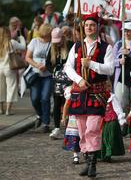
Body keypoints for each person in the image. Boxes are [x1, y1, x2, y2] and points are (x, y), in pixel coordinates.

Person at [64, 12, 114, 177]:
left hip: (97, 93)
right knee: (81, 128)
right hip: (80, 93)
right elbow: (68, 67)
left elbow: (110, 69)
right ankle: (87, 160)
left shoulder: (107, 47)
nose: (89, 28)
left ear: (98, 27)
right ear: (83, 28)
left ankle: (93, 164)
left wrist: (91, 64)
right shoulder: (77, 46)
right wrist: (79, 80)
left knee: (92, 128)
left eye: (92, 25)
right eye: (86, 25)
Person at [113, 21, 131, 127]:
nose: (126, 33)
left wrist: (130, 53)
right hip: (122, 78)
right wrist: (118, 61)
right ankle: (122, 125)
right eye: (124, 31)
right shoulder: (118, 44)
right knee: (121, 102)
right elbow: (112, 61)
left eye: (128, 31)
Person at [25, 24, 53, 132]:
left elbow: (54, 58)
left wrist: (47, 66)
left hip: (47, 75)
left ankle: (46, 123)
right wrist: (37, 65)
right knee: (35, 98)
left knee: (45, 98)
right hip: (35, 74)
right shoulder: (34, 41)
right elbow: (28, 57)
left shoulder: (52, 43)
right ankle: (40, 115)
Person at [46, 27, 72, 139]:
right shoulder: (52, 48)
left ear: (63, 38)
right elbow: (47, 63)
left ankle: (69, 127)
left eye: (59, 41)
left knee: (68, 103)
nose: (57, 44)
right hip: (57, 81)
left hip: (69, 80)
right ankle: (57, 127)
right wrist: (53, 70)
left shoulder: (71, 45)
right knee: (57, 103)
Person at [0, 26, 26, 115]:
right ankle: (8, 110)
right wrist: (21, 37)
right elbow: (23, 47)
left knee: (1, 89)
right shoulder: (12, 42)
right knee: (11, 88)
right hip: (9, 68)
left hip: (0, 68)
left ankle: (0, 109)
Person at [101, 81, 126, 162]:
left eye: (108, 86)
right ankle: (103, 154)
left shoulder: (112, 97)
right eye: (105, 86)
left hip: (111, 120)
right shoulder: (99, 97)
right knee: (103, 138)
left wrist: (121, 119)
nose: (106, 88)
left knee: (110, 139)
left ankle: (109, 154)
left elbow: (118, 108)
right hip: (102, 121)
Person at [61, 86, 80, 164]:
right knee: (74, 137)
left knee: (85, 135)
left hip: (84, 116)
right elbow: (66, 105)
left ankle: (87, 152)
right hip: (73, 118)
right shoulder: (71, 90)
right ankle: (76, 155)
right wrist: (64, 117)